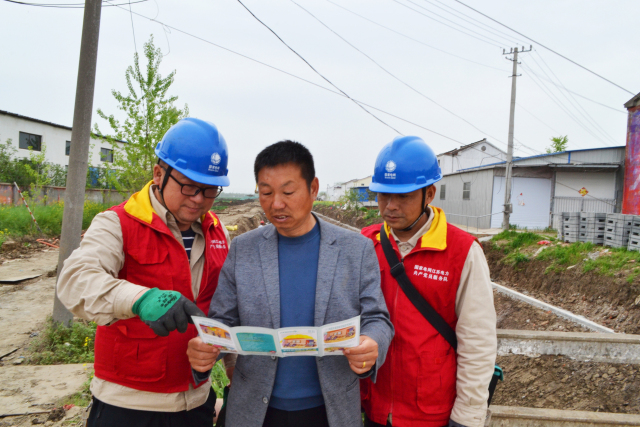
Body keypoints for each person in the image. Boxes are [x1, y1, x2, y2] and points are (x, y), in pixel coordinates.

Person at [187, 140, 394, 427]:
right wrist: (207, 346)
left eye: (288, 192)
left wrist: (372, 342)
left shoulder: (355, 249)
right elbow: (223, 319)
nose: (276, 204)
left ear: (313, 188)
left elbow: (377, 317)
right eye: (266, 193)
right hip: (255, 410)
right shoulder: (244, 249)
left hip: (329, 410)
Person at [57, 118, 236, 427]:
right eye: (189, 186)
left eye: (209, 190)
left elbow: (228, 309)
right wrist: (141, 299)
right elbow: (75, 280)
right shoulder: (118, 223)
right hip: (128, 405)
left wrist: (233, 370)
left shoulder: (218, 232)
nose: (198, 199)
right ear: (158, 174)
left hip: (196, 403)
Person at [360, 136, 497, 427]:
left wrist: (468, 416)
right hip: (375, 408)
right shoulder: (366, 244)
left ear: (430, 194)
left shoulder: (462, 251)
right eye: (384, 195)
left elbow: (478, 341)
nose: (390, 206)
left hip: (431, 413)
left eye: (404, 196)